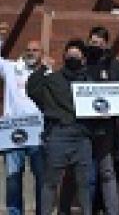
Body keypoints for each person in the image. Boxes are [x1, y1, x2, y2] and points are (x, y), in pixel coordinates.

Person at [27, 39, 93, 215]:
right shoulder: (52, 79)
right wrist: (42, 68)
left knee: (84, 183)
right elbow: (32, 89)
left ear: (84, 58)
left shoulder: (90, 81)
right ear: (64, 57)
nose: (73, 57)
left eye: (77, 55)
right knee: (50, 182)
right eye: (69, 54)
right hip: (58, 133)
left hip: (82, 135)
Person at [0, 23, 46, 215]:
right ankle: (14, 212)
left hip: (39, 133)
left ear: (41, 53)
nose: (31, 53)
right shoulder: (11, 68)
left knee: (41, 178)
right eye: (28, 50)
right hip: (13, 132)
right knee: (12, 178)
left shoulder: (48, 72)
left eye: (35, 50)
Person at [85, 26, 119, 215]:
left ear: (106, 44)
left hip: (107, 130)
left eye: (99, 43)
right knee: (87, 175)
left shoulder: (117, 68)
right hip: (84, 129)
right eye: (92, 42)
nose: (95, 46)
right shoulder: (82, 64)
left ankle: (112, 211)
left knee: (107, 173)